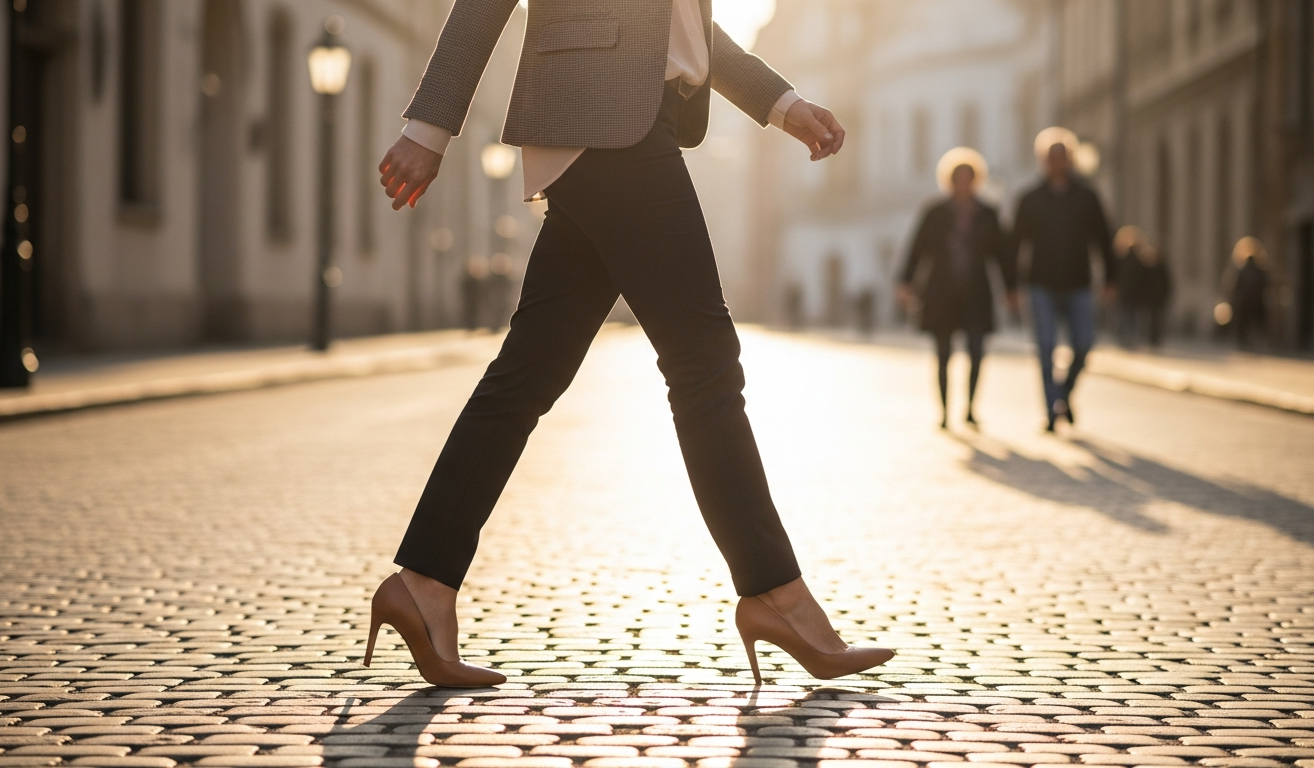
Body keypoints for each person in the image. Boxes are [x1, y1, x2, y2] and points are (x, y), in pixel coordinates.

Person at [368, 0, 894, 688]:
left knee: (527, 374)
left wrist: (780, 103)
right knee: (705, 366)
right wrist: (428, 129)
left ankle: (423, 583)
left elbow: (675, 22)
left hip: (627, 124)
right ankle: (776, 595)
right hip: (605, 127)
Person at [898, 148, 1018, 429]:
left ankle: (970, 408)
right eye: (957, 178)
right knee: (943, 354)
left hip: (976, 292)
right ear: (949, 181)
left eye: (968, 178)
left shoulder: (988, 214)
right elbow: (917, 249)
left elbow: (1003, 255)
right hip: (941, 293)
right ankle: (944, 412)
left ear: (976, 181)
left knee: (976, 351)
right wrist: (906, 282)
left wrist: (1011, 288)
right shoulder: (935, 213)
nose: (963, 184)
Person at [1010, 128, 1116, 432]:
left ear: (1070, 159)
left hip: (1078, 282)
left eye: (1062, 156)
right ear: (1044, 161)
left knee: (1083, 346)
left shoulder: (1086, 196)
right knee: (1045, 348)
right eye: (1051, 157)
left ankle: (1062, 396)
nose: (1057, 162)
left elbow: (1103, 238)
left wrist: (1110, 279)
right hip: (1040, 283)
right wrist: (1012, 286)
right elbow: (1015, 245)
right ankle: (1050, 410)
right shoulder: (1030, 198)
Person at [1225, 236, 1270, 350]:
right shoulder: (1260, 270)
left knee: (1243, 325)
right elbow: (1267, 285)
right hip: (1257, 303)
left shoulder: (1242, 270)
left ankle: (1245, 344)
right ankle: (1255, 344)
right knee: (1256, 325)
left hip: (1244, 304)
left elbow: (1233, 287)